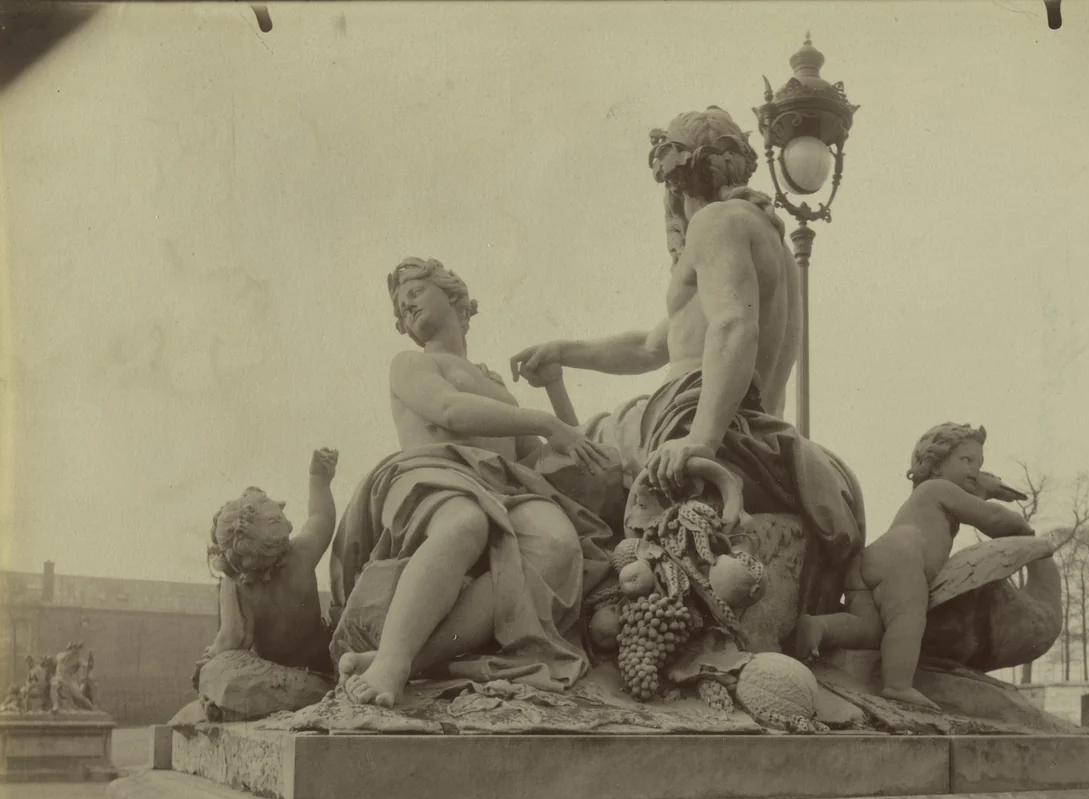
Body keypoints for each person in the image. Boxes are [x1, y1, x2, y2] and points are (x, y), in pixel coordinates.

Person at [510, 106, 864, 611]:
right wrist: (565, 351)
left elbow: (733, 326)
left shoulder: (715, 223)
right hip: (753, 420)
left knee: (548, 457)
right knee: (585, 444)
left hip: (697, 411)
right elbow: (653, 347)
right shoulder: (764, 237)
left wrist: (701, 439)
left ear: (674, 185)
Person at [334, 257, 613, 708]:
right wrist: (541, 418)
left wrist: (555, 389)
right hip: (434, 473)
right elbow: (449, 411)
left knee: (557, 546)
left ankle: (415, 661)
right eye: (401, 307)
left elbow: (554, 459)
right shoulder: (412, 363)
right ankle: (391, 661)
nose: (407, 304)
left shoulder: (497, 386)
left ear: (455, 296)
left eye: (417, 290)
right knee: (466, 523)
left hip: (507, 485)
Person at [796, 424, 1035, 710]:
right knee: (907, 618)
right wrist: (1022, 527)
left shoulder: (932, 494)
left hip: (872, 561)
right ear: (935, 465)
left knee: (870, 630)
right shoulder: (938, 488)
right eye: (966, 460)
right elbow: (990, 518)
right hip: (903, 559)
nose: (975, 469)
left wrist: (984, 488)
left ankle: (818, 626)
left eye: (980, 463)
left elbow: (971, 501)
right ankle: (898, 685)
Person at [194, 448, 340, 685]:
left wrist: (208, 659)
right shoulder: (299, 556)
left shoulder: (236, 585)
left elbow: (232, 637)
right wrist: (319, 479)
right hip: (324, 660)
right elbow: (321, 517)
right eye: (266, 501)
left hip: (277, 673)